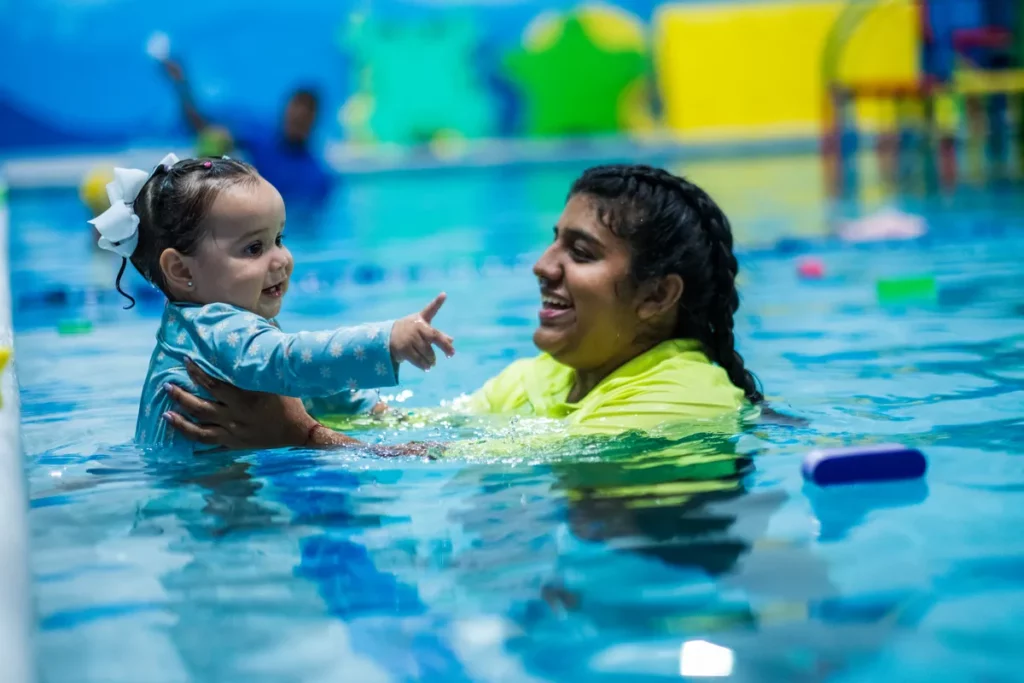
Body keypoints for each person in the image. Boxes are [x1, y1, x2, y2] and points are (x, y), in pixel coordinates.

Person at [162, 163, 762, 450]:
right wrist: (311, 397)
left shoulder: (686, 397)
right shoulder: (544, 377)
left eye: (579, 253)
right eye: (554, 240)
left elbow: (461, 463)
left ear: (657, 296)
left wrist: (302, 436)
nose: (542, 265)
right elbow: (425, 434)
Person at [89, 153, 454, 453]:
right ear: (181, 269)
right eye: (253, 248)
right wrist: (387, 340)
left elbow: (285, 380)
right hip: (197, 502)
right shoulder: (215, 328)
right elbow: (291, 363)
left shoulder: (201, 328)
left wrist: (368, 409)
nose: (282, 259)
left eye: (279, 238)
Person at [160, 58, 331, 204]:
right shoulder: (262, 141)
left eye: (302, 118)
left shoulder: (317, 177)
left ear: (313, 122)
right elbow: (204, 128)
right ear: (284, 112)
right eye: (294, 116)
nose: (297, 119)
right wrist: (181, 85)